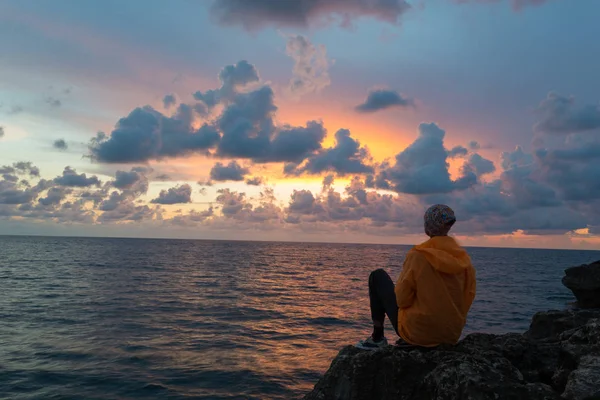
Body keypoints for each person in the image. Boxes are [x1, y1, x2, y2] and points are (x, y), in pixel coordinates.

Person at [358, 204, 476, 349]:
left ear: (428, 226)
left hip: (418, 333)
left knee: (377, 276)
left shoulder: (419, 255)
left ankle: (377, 338)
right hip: (450, 335)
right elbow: (468, 298)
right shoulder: (464, 260)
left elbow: (402, 300)